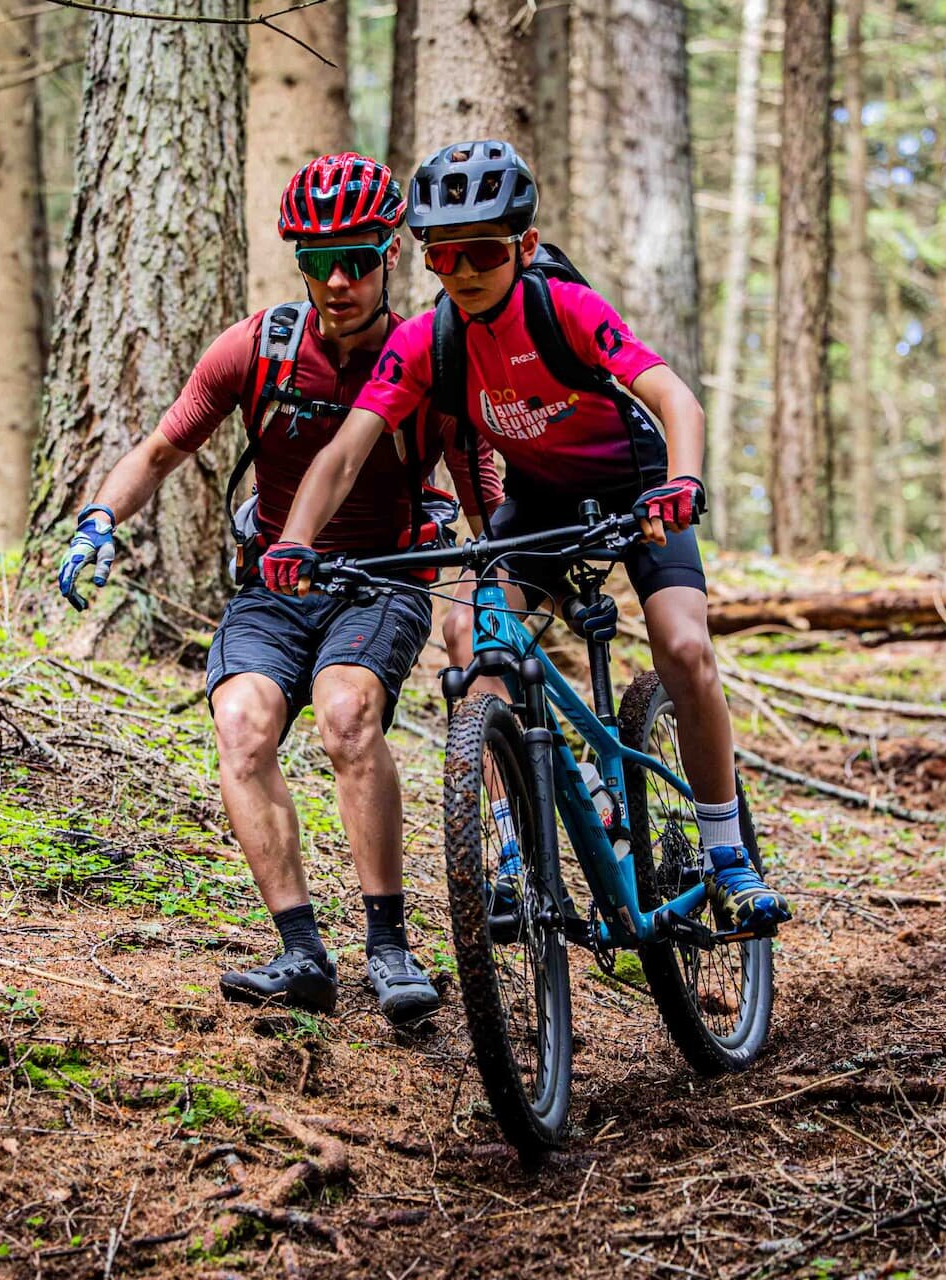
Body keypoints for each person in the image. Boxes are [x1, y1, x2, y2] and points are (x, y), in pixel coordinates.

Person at [260, 140, 790, 934]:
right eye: (445, 256)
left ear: (525, 247)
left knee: (682, 648)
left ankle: (727, 857)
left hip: (639, 491)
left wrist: (682, 482)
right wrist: (294, 540)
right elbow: (344, 453)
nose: (464, 270)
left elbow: (675, 396)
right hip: (540, 502)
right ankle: (513, 859)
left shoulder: (562, 308)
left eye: (483, 251)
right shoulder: (425, 342)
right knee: (469, 628)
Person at [55, 153, 502, 1023]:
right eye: (317, 260)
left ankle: (389, 949)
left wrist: (496, 580)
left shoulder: (426, 359)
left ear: (388, 258)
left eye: (358, 260)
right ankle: (302, 952)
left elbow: (478, 483)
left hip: (383, 579)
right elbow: (158, 451)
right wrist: (98, 521)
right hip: (274, 581)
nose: (337, 281)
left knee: (345, 716)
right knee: (242, 724)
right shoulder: (257, 349)